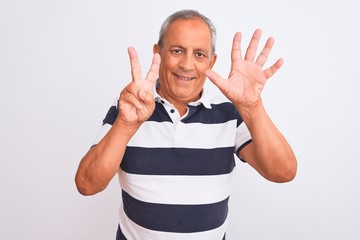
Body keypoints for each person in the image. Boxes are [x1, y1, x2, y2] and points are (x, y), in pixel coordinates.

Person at [75, 9, 297, 240]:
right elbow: (87, 184)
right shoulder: (130, 108)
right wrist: (125, 126)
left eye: (199, 54)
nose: (187, 64)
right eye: (177, 50)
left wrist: (252, 108)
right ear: (158, 53)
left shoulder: (229, 111)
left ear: (211, 62)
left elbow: (282, 172)